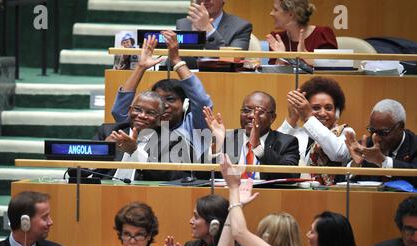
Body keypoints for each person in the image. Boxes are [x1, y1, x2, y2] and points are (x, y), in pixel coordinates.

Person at [111, 31, 212, 160]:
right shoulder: (146, 125)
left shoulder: (195, 124)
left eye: (170, 99)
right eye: (158, 101)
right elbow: (119, 112)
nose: (163, 105)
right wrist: (140, 67)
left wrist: (176, 61)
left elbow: (202, 101)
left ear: (185, 104)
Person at [215, 154, 304, 246]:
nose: (259, 236)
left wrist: (233, 189)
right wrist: (239, 205)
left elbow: (240, 233)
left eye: (263, 233)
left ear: (274, 238)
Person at [204, 91, 300, 180]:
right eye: (246, 111)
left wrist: (258, 147)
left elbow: (292, 176)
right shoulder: (227, 139)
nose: (251, 116)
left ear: (272, 118)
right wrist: (217, 146)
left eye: (260, 112)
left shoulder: (286, 142)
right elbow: (200, 176)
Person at [278, 77, 353, 185]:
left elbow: (337, 154)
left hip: (333, 196)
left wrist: (308, 116)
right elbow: (275, 151)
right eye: (316, 108)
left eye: (328, 108)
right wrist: (292, 118)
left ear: (336, 111)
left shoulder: (345, 133)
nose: (322, 113)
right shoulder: (298, 134)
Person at [345, 99, 417, 186]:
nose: (377, 138)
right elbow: (339, 183)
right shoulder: (366, 146)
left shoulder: (414, 145)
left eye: (383, 132)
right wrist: (355, 165)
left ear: (400, 127)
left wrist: (382, 161)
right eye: (372, 130)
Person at [267, 0, 337, 65]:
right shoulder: (277, 39)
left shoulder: (322, 35)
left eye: (276, 10)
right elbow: (272, 77)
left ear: (291, 15)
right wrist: (281, 58)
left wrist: (305, 55)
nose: (271, 13)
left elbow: (330, 70)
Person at [176, 0, 252, 50]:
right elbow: (180, 60)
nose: (206, 0)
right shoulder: (183, 24)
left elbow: (233, 59)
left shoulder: (241, 27)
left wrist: (208, 29)